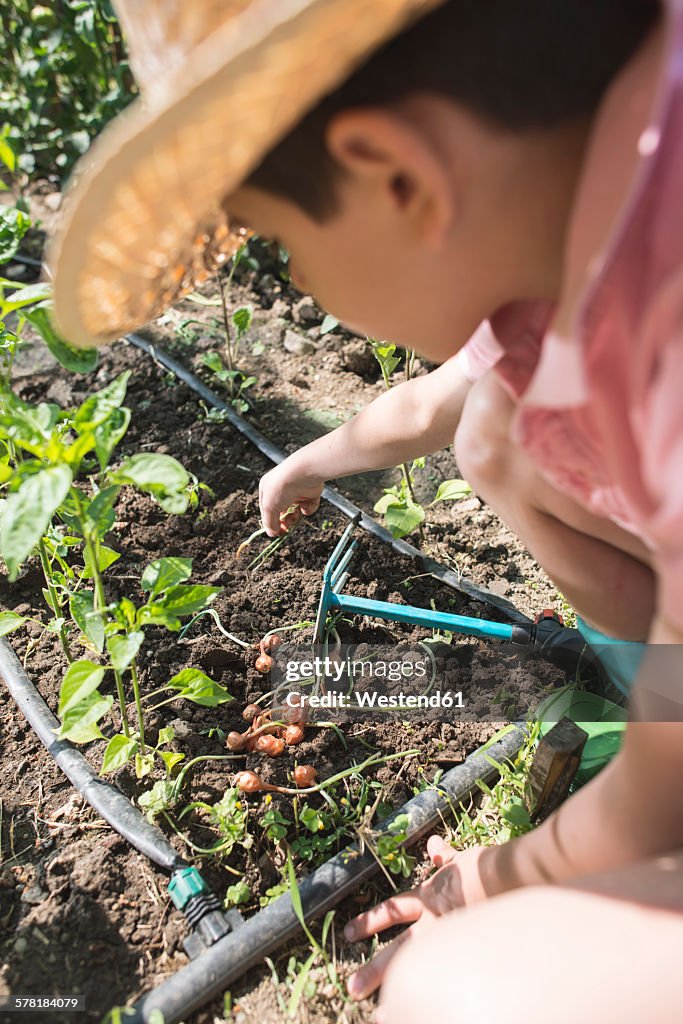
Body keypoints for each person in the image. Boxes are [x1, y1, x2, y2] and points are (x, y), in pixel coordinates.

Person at [50, 1, 683, 1020]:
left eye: (281, 246)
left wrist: (498, 877)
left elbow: (665, 782)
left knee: (446, 988)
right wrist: (304, 464)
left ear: (395, 177)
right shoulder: (599, 195)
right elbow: (433, 403)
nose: (295, 281)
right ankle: (644, 674)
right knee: (492, 426)